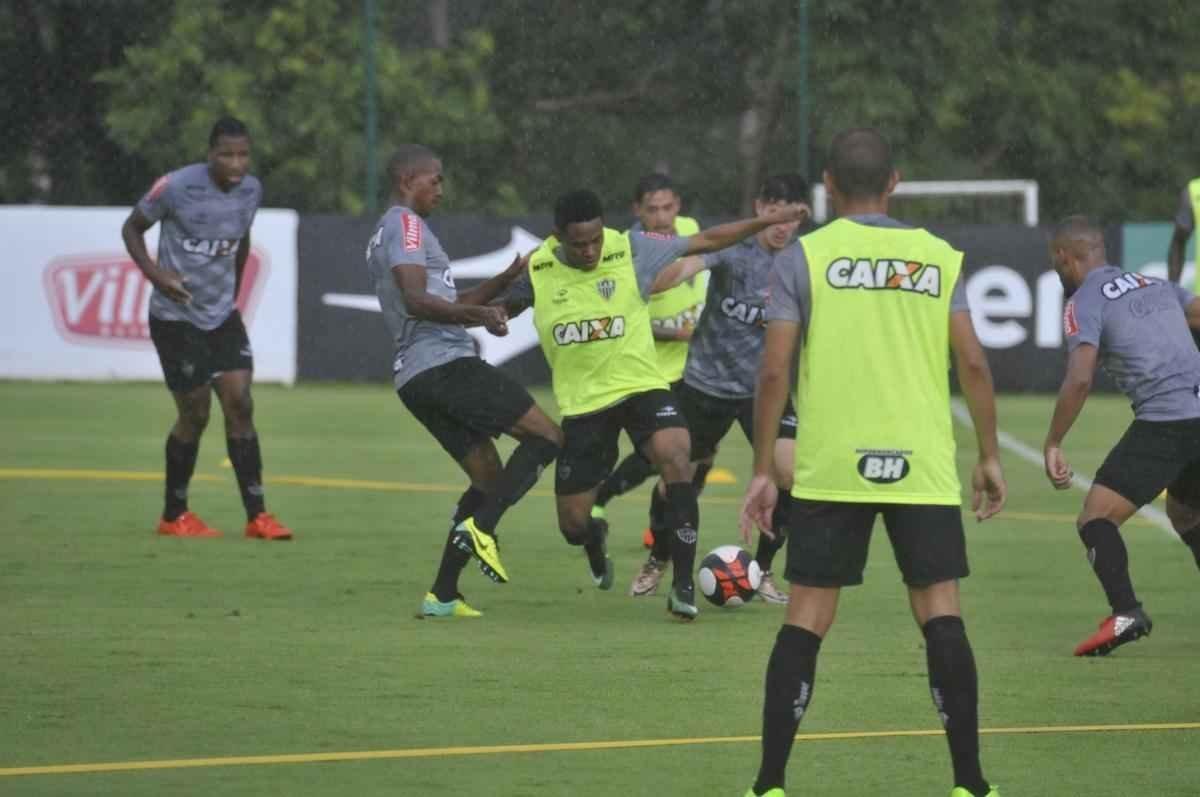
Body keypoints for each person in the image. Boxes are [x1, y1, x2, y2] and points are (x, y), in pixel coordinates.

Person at [738, 128, 1006, 797]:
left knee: (806, 615)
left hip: (832, 464)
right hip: (921, 464)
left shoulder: (804, 257)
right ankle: (970, 782)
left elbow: (774, 370)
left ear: (828, 184)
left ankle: (769, 782)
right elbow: (973, 361)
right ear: (896, 182)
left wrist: (765, 466)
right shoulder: (937, 256)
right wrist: (991, 455)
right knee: (941, 610)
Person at [500, 189, 808, 620]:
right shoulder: (539, 265)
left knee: (678, 456)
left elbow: (708, 240)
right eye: (579, 244)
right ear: (560, 237)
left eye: (595, 240)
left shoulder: (631, 247)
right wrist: (493, 314)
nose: (590, 250)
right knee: (573, 525)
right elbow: (504, 305)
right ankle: (596, 538)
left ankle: (684, 585)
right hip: (588, 403)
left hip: (646, 385)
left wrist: (762, 223)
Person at [366, 144, 563, 619]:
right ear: (407, 180)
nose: (440, 188)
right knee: (548, 436)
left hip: (416, 377)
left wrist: (505, 279)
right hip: (442, 365)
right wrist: (481, 313)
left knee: (488, 477)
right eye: (433, 179)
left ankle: (443, 594)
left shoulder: (398, 231)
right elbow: (416, 300)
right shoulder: (406, 224)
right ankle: (484, 529)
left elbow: (446, 303)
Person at [629, 173, 810, 603]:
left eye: (792, 217)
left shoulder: (805, 260)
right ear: (760, 209)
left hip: (765, 391)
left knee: (790, 474)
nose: (782, 225)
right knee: (675, 478)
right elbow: (688, 266)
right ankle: (659, 557)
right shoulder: (735, 248)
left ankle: (763, 569)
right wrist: (657, 278)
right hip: (704, 385)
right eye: (774, 213)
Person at [120, 116, 292, 541]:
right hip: (175, 318)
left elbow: (243, 238)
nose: (236, 163)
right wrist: (157, 276)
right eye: (226, 155)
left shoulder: (252, 190)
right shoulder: (175, 187)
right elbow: (132, 228)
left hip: (221, 316)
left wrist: (231, 290)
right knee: (195, 413)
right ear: (209, 154)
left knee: (240, 403)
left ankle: (258, 516)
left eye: (243, 154)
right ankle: (173, 514)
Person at [1044, 215, 1200, 656]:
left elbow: (1079, 379)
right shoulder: (1155, 283)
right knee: (1188, 514)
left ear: (1064, 256)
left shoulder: (1082, 301)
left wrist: (1054, 441)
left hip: (1166, 422)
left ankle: (1126, 611)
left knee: (1095, 519)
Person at [591, 174, 708, 542]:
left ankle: (665, 526)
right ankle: (606, 498)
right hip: (653, 370)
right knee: (661, 455)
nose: (662, 217)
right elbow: (621, 319)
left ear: (679, 206)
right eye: (652, 209)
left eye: (668, 207)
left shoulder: (690, 230)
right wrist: (677, 333)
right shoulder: (628, 250)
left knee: (702, 455)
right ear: (637, 211)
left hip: (695, 370)